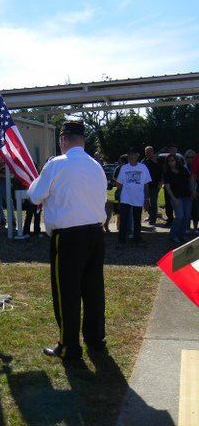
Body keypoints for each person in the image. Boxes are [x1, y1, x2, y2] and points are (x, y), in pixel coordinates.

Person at [27, 121, 107, 360]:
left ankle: (69, 345)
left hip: (69, 237)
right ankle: (95, 339)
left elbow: (34, 196)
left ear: (63, 140)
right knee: (93, 290)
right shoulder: (96, 165)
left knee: (67, 292)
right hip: (95, 233)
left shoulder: (56, 164)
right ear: (82, 140)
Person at [116, 147, 151, 247]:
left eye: (134, 154)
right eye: (129, 155)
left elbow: (146, 184)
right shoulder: (124, 168)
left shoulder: (143, 168)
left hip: (138, 198)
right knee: (124, 220)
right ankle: (121, 240)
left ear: (137, 156)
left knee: (137, 220)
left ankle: (136, 239)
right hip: (125, 198)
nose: (131, 157)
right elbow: (119, 184)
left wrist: (146, 198)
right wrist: (120, 196)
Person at [163, 154, 192, 244]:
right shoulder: (167, 173)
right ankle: (173, 235)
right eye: (169, 161)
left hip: (187, 196)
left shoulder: (183, 169)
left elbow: (190, 179)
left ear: (176, 160)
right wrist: (173, 198)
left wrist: (193, 191)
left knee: (186, 217)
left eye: (172, 160)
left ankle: (181, 235)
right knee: (180, 216)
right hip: (176, 197)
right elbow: (167, 187)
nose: (171, 162)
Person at [141, 146, 162, 225]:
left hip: (154, 185)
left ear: (153, 152)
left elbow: (162, 172)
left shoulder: (157, 161)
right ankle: (151, 215)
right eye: (146, 151)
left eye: (149, 151)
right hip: (144, 185)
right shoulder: (143, 161)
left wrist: (161, 182)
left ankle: (153, 220)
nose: (148, 153)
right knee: (144, 202)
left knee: (153, 202)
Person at [184, 150, 198, 232]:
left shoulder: (196, 167)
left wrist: (194, 191)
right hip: (186, 192)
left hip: (196, 191)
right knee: (187, 211)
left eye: (192, 157)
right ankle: (187, 228)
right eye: (187, 157)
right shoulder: (183, 167)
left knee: (195, 210)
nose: (190, 159)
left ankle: (196, 228)